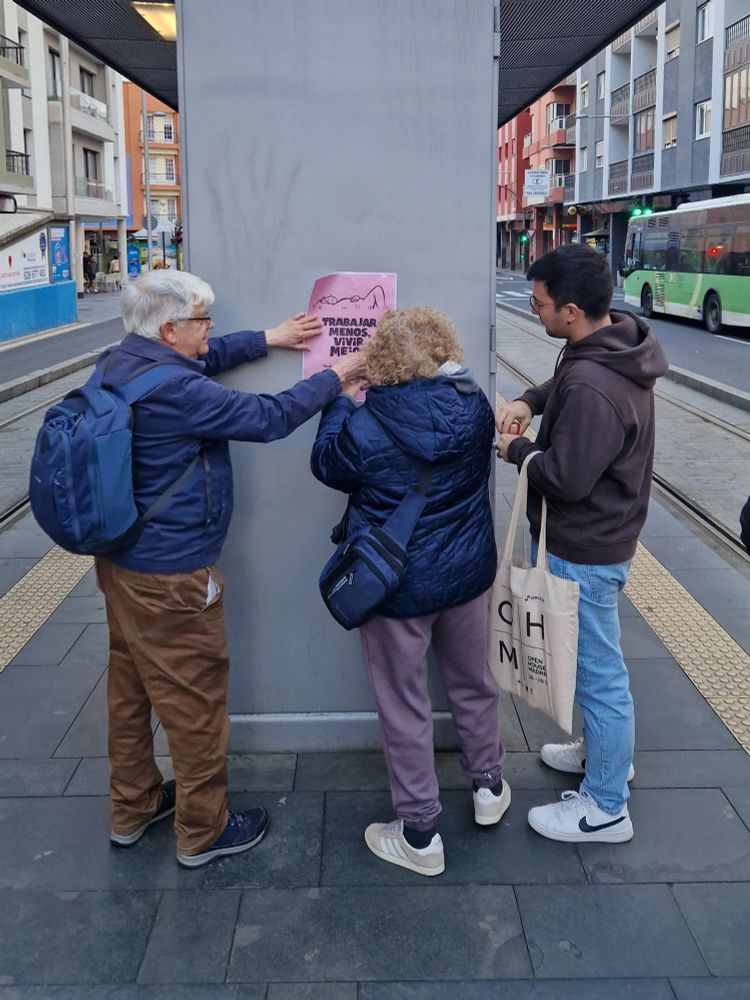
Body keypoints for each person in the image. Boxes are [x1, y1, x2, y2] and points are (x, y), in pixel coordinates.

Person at [95, 270, 366, 868]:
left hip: (122, 566)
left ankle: (134, 805)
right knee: (195, 703)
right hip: (172, 577)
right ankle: (202, 830)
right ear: (170, 329)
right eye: (201, 321)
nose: (209, 330)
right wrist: (336, 376)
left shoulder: (122, 361)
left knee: (129, 690)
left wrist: (266, 337)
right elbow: (267, 418)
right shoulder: (178, 390)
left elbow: (204, 359)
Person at [311, 307, 509, 877]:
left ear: (383, 360)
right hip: (467, 575)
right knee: (473, 683)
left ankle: (420, 834)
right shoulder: (474, 407)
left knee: (404, 704)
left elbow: (327, 464)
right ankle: (490, 788)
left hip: (394, 587)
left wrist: (340, 401)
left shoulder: (367, 424)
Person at [496, 243, 668, 844]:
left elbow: (566, 478)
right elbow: (565, 382)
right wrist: (530, 400)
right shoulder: (606, 341)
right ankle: (604, 756)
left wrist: (515, 450)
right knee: (595, 663)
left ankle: (605, 805)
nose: (534, 310)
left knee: (598, 675)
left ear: (570, 310)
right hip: (604, 535)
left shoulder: (596, 385)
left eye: (540, 304)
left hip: (587, 544)